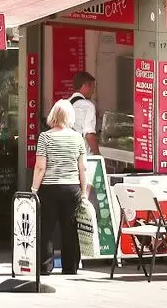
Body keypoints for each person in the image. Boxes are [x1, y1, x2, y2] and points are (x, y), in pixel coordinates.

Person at [32, 99, 88, 276]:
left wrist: (34, 189)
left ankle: (45, 266)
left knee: (47, 228)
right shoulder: (78, 137)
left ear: (53, 115)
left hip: (49, 188)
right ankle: (70, 267)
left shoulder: (45, 137)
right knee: (70, 228)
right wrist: (84, 192)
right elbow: (83, 167)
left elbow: (40, 166)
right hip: (72, 188)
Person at [69, 71, 99, 154]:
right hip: (80, 157)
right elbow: (89, 134)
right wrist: (97, 155)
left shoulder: (65, 104)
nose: (93, 91)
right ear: (85, 86)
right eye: (93, 87)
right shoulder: (88, 106)